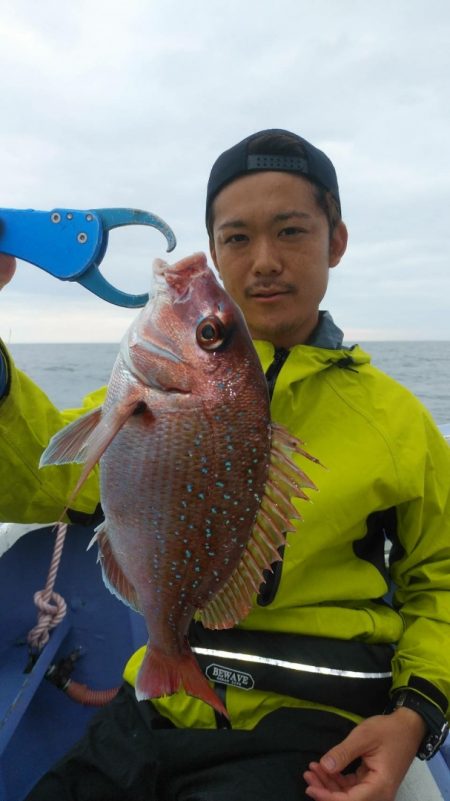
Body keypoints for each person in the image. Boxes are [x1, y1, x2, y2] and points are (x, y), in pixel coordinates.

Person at [1, 129, 449, 801]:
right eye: (236, 238)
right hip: (153, 710)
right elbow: (40, 481)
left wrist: (416, 717)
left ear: (337, 242)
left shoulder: (397, 422)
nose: (264, 260)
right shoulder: (142, 396)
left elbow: (441, 577)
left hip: (309, 729)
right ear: (215, 251)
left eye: (291, 231)